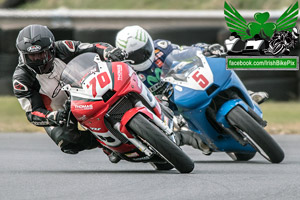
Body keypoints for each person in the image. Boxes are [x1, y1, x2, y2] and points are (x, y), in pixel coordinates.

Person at [115, 25, 269, 154]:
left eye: (144, 50)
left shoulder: (160, 47)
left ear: (149, 42)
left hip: (183, 84)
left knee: (213, 76)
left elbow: (184, 51)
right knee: (171, 130)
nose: (141, 56)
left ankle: (246, 95)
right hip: (164, 105)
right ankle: (196, 140)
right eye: (135, 55)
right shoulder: (128, 72)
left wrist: (205, 48)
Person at [13, 24, 126, 162]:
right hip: (61, 110)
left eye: (41, 54)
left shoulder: (64, 47)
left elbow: (94, 47)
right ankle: (104, 142)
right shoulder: (22, 80)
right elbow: (33, 113)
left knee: (119, 73)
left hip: (88, 86)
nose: (38, 60)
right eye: (32, 56)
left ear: (52, 49)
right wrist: (53, 116)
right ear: (23, 56)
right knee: (66, 142)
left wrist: (109, 51)